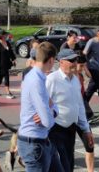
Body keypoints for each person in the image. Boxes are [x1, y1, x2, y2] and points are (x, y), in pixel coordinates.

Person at [47, 48, 94, 172]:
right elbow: (43, 102)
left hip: (71, 128)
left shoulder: (75, 79)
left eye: (75, 60)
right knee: (62, 164)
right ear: (61, 62)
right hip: (56, 128)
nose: (74, 63)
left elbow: (79, 105)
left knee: (69, 162)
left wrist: (86, 129)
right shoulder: (52, 79)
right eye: (71, 60)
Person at [18, 42, 62, 172]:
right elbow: (47, 121)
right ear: (51, 60)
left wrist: (52, 111)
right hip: (34, 143)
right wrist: (51, 112)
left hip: (41, 140)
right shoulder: (36, 81)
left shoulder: (36, 77)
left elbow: (52, 106)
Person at [0, 32, 15, 98]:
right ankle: (8, 92)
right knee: (6, 76)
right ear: (2, 36)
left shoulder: (7, 43)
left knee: (1, 76)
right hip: (0, 64)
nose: (7, 36)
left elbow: (11, 52)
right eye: (5, 35)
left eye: (7, 35)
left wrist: (13, 59)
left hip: (7, 63)